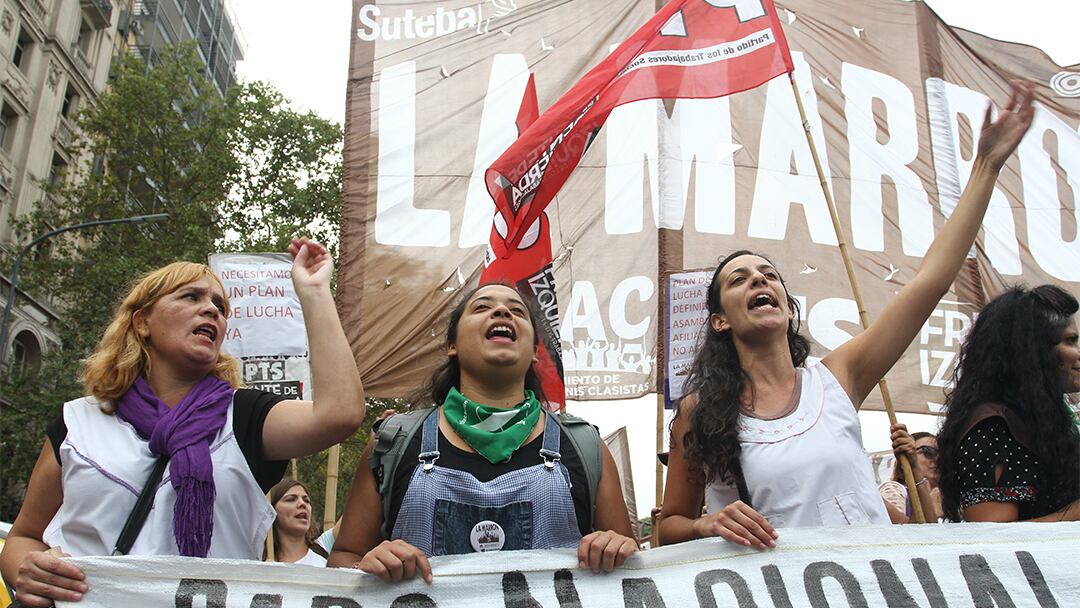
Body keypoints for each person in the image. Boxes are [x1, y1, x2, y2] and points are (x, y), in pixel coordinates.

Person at [658, 81, 1035, 549]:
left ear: (785, 302)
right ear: (720, 320)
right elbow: (668, 527)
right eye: (739, 280)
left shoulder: (837, 379)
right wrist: (706, 524)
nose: (759, 281)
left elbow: (929, 282)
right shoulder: (700, 411)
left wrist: (986, 166)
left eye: (769, 275)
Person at [0, 238, 365, 607]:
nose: (211, 310)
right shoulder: (77, 421)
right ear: (142, 322)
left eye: (220, 307)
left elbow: (340, 414)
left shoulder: (245, 418)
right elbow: (24, 537)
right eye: (191, 297)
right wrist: (32, 572)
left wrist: (315, 290)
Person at [328, 283, 637, 582]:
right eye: (483, 307)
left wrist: (615, 548)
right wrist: (365, 564)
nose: (502, 311)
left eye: (516, 310)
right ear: (452, 346)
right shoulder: (392, 442)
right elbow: (343, 559)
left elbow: (631, 570)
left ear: (534, 352)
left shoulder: (586, 446)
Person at [936, 285, 1080, 522]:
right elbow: (993, 540)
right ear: (1033, 351)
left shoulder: (1045, 420)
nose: (1078, 352)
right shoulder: (993, 427)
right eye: (1070, 341)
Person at [879, 425, 941, 523]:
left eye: (941, 454)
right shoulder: (894, 490)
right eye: (928, 451)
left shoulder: (955, 501)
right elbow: (899, 535)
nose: (936, 459)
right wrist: (933, 512)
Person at [267, 479, 327, 566]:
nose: (302, 504)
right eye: (291, 499)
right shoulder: (255, 564)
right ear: (271, 510)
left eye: (306, 500)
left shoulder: (325, 565)